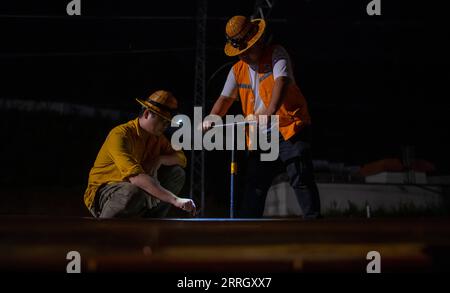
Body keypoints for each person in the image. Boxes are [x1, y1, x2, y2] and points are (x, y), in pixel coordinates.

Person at [203, 15, 321, 218]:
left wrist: (270, 111)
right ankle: (247, 232)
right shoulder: (237, 70)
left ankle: (314, 223)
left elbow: (281, 82)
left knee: (300, 176)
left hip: (289, 126)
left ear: (257, 40)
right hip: (261, 135)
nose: (245, 55)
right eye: (241, 52)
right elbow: (225, 99)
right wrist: (212, 117)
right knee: (255, 185)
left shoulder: (277, 54)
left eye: (248, 50)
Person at [84, 90, 196, 218]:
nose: (166, 126)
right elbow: (135, 177)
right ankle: (105, 230)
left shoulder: (157, 138)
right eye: (163, 121)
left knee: (177, 173)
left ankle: (152, 221)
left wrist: (159, 160)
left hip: (137, 189)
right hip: (106, 190)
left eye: (168, 122)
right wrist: (175, 200)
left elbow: (182, 158)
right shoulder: (120, 134)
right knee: (133, 192)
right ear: (147, 114)